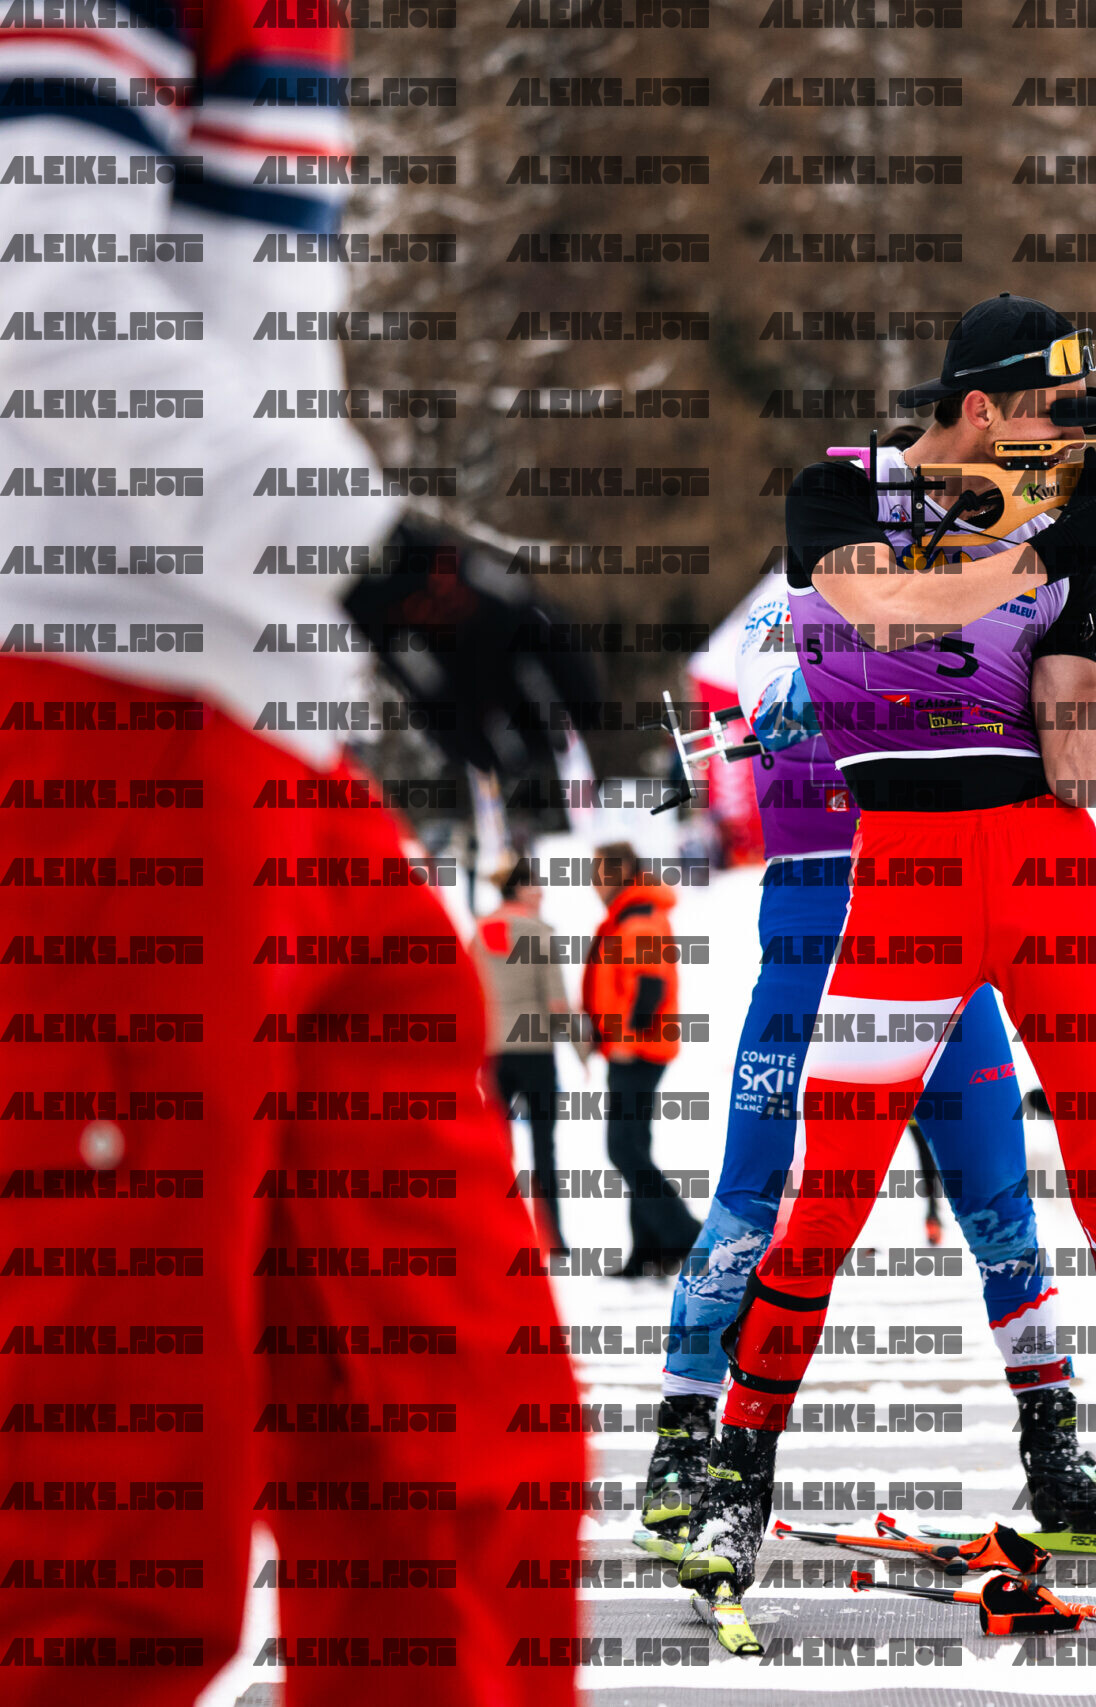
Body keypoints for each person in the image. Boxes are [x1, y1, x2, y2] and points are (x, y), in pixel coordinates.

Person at [0, 0, 583, 1692]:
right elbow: (56, 325)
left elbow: (223, 346)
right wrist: (375, 556)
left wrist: (372, 601)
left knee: (460, 1443)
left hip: (272, 748)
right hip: (83, 726)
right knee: (107, 1521)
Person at [675, 295, 1096, 1649]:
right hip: (907, 877)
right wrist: (1045, 543)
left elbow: (1081, 759)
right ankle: (736, 1480)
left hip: (1048, 870)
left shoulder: (1058, 534)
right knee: (827, 1196)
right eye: (1050, 413)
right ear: (981, 407)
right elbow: (880, 607)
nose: (1066, 439)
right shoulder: (841, 491)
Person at [635, 542, 1096, 1574]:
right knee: (753, 1196)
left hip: (936, 914)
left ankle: (1053, 1440)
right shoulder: (787, 604)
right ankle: (685, 1438)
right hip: (815, 939)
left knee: (1000, 1200)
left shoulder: (964, 585)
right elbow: (786, 706)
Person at [583, 842, 704, 1276]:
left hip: (639, 1048)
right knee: (634, 1145)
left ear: (620, 870)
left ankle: (686, 1235)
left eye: (598, 870)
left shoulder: (639, 918)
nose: (593, 881)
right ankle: (649, 1250)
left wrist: (628, 1039)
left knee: (623, 1147)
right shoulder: (628, 915)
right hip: (633, 1045)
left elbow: (650, 986)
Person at [474, 863, 580, 1250]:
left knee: (497, 1147)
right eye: (536, 887)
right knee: (543, 1146)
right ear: (519, 890)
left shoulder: (478, 933)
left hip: (494, 1052)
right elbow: (557, 1003)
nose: (542, 894)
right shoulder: (538, 932)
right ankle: (550, 1236)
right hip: (534, 1051)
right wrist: (584, 1051)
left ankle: (495, 1232)